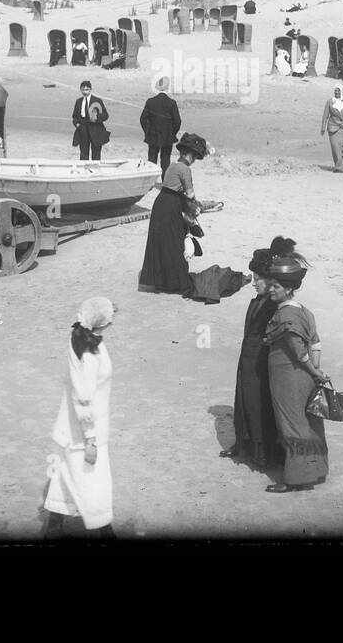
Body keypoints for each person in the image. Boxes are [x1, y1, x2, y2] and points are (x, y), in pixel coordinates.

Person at [42, 297, 119, 540]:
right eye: (109, 317)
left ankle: (54, 523)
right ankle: (105, 530)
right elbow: (83, 399)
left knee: (67, 472)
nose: (113, 320)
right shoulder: (87, 352)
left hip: (72, 426)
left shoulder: (83, 338)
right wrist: (90, 440)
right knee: (94, 481)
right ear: (99, 322)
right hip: (84, 429)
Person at [262, 253, 330, 493]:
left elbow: (299, 352)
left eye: (276, 286)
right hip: (305, 378)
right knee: (310, 422)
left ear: (288, 289)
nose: (271, 289)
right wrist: (317, 371)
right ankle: (317, 470)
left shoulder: (285, 315)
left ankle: (296, 478)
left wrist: (313, 370)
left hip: (288, 376)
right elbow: (316, 344)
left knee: (291, 424)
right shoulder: (304, 311)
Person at [219, 240, 290, 468]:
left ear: (271, 280)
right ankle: (245, 445)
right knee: (246, 401)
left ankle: (262, 454)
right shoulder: (261, 300)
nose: (254, 282)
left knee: (260, 405)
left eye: (258, 278)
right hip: (248, 360)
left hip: (262, 364)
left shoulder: (274, 304)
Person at [138, 133, 210, 295]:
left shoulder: (172, 166)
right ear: (190, 155)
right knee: (175, 242)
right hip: (171, 206)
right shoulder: (185, 170)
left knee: (161, 243)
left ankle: (160, 282)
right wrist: (195, 208)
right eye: (195, 157)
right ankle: (176, 283)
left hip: (161, 203)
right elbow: (190, 195)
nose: (194, 161)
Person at [139, 76, 181, 176]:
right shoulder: (171, 103)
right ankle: (164, 182)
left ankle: (150, 182)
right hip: (167, 136)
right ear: (168, 88)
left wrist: (147, 132)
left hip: (153, 135)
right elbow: (178, 121)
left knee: (152, 160)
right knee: (165, 160)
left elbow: (142, 119)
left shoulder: (150, 101)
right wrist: (172, 133)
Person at [71, 81, 109, 161]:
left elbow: (106, 115)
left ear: (90, 89)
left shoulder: (97, 100)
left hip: (95, 128)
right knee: (83, 152)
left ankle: (95, 171)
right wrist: (77, 124)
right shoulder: (78, 101)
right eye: (83, 90)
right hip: (83, 128)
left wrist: (97, 117)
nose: (85, 92)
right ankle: (84, 171)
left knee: (96, 152)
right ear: (80, 90)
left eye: (87, 90)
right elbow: (74, 116)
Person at [320, 85, 343, 172]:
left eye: (338, 91)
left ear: (341, 91)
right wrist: (323, 127)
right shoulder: (330, 102)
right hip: (332, 127)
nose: (337, 92)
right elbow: (325, 116)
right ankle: (338, 166)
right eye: (335, 91)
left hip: (342, 128)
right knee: (335, 148)